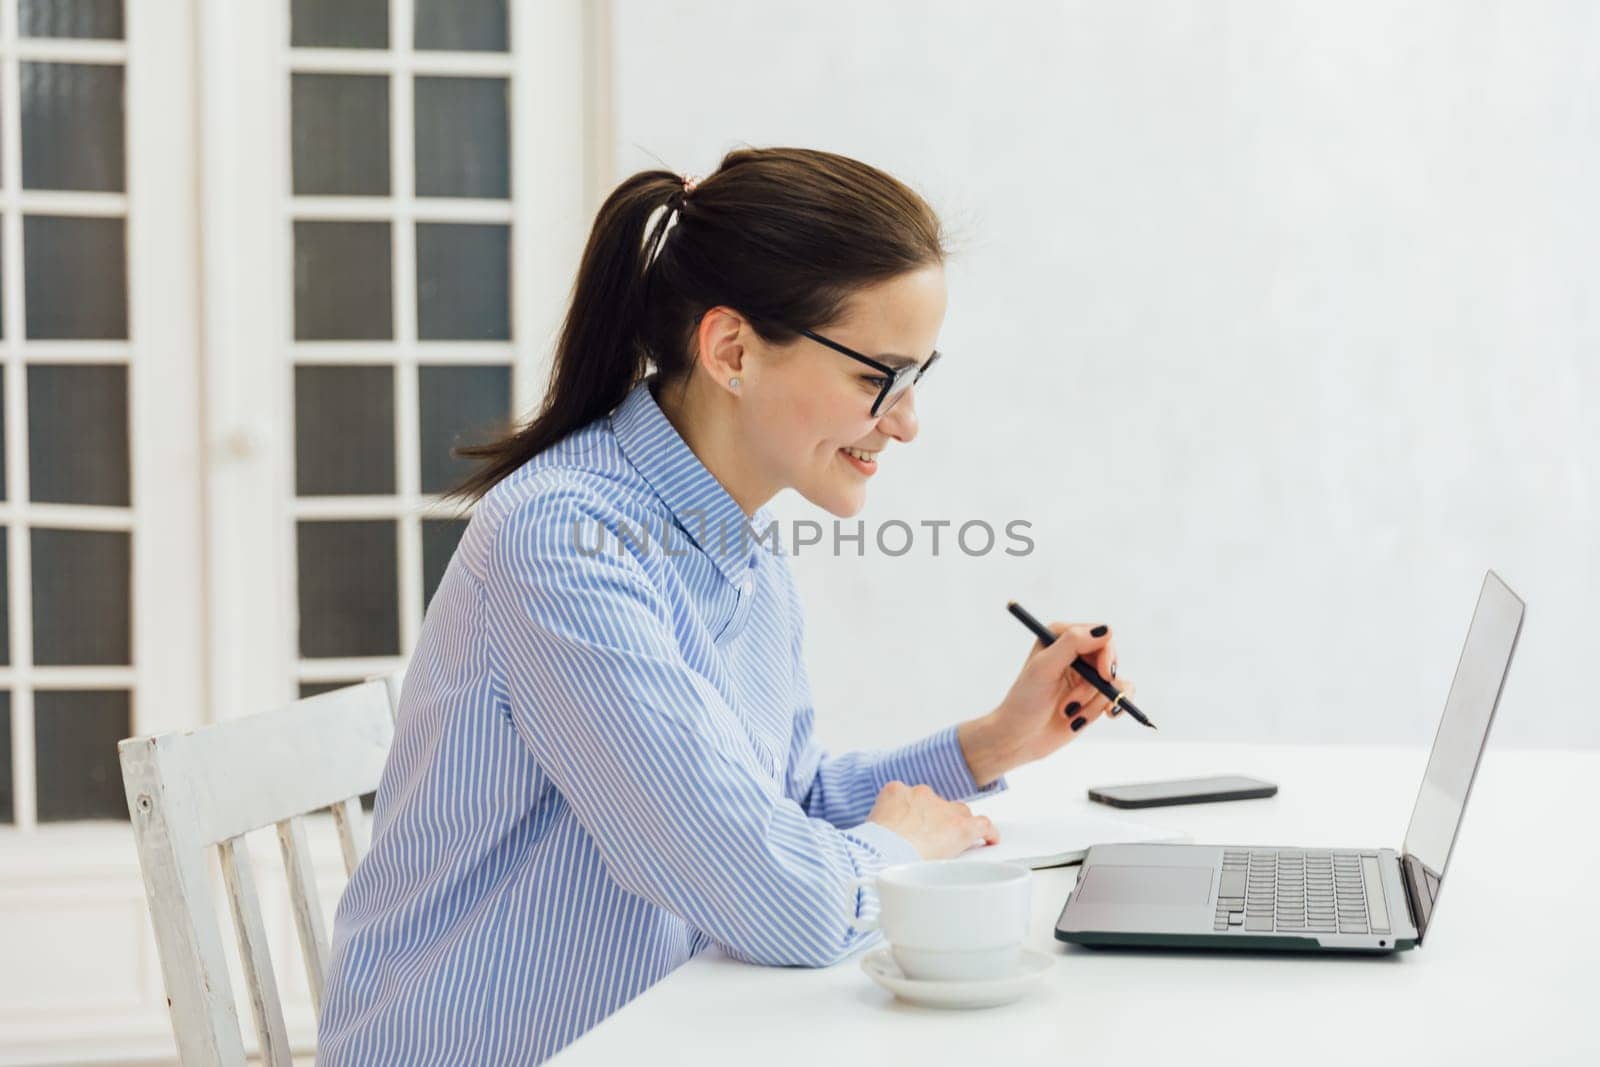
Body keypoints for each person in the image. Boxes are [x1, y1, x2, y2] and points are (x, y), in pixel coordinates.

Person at [316, 146, 1130, 1065]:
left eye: (916, 378)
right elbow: (783, 901)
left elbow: (780, 805)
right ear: (731, 350)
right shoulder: (565, 544)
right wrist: (896, 847)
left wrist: (995, 741)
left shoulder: (736, 546)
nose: (905, 422)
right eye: (879, 378)